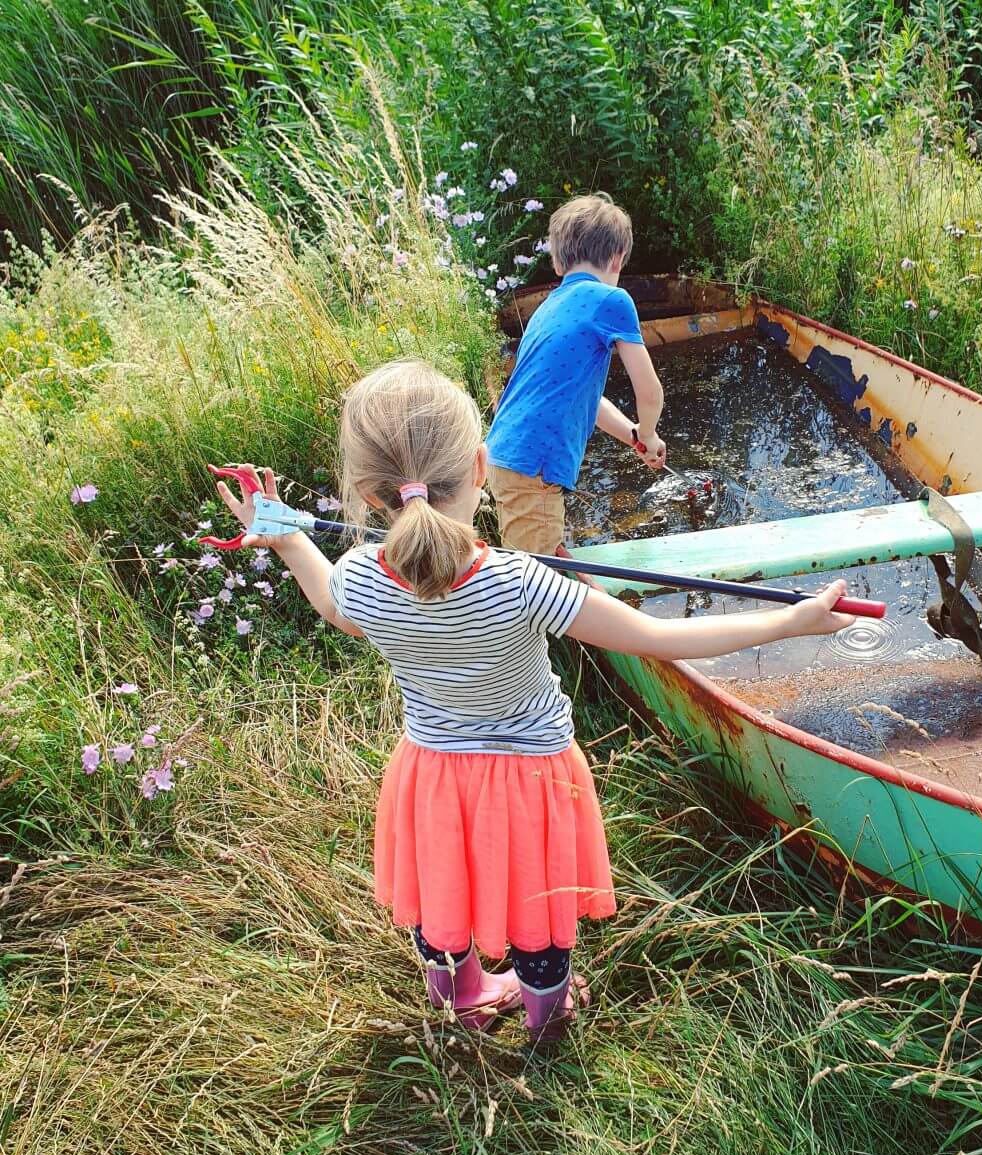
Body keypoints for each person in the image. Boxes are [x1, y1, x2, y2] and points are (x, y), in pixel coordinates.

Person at [214, 360, 856, 1043]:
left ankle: (459, 999)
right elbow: (662, 638)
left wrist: (284, 534)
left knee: (443, 898)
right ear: (482, 469)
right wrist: (791, 621)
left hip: (431, 775)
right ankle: (546, 1021)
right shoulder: (525, 583)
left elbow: (327, 597)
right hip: (529, 781)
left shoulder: (360, 583)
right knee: (536, 913)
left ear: (372, 498)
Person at [485, 191, 667, 555]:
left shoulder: (549, 307)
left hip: (505, 455)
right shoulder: (613, 301)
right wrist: (649, 432)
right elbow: (650, 393)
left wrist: (633, 435)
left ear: (557, 263)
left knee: (543, 557)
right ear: (617, 260)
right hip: (534, 464)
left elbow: (586, 398)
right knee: (533, 583)